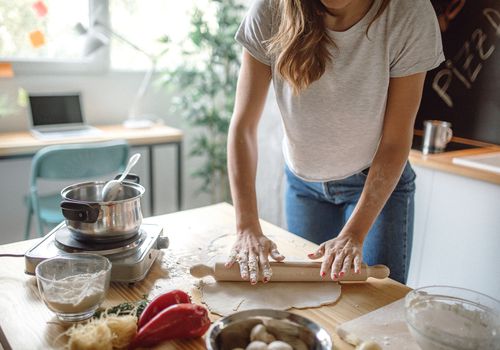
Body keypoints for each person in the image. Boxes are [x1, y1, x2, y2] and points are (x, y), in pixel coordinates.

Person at [225, 0, 444, 284]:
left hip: (375, 186)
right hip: (303, 187)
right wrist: (246, 226)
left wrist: (354, 234)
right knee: (311, 303)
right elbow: (243, 128)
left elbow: (394, 141)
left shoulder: (408, 12)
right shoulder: (270, 10)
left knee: (375, 308)